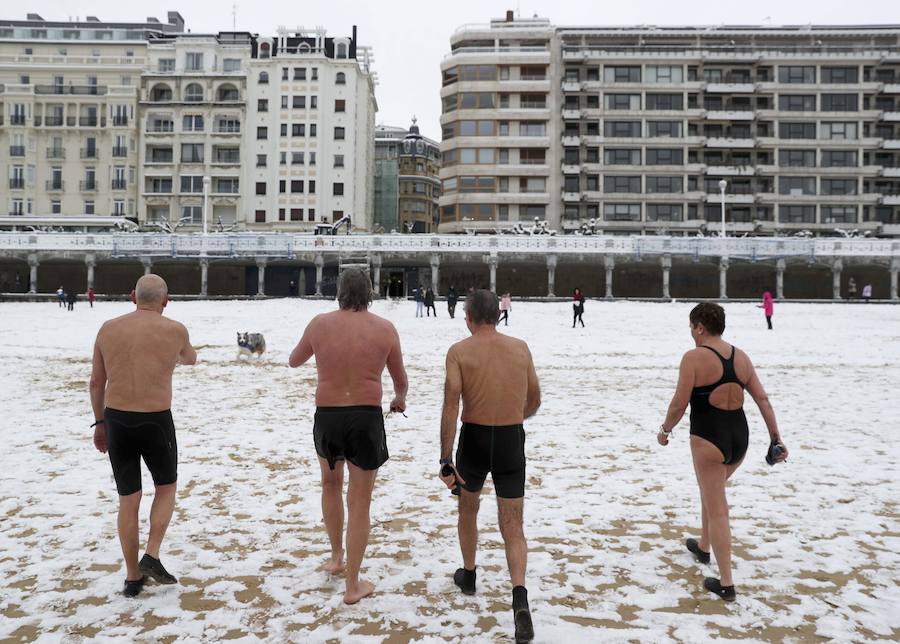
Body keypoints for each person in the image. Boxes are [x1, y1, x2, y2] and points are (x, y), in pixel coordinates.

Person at [289, 268, 408, 605]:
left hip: (328, 416)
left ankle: (336, 556)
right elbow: (400, 379)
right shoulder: (384, 329)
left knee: (329, 485)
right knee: (360, 501)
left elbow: (294, 361)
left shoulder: (320, 324)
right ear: (369, 293)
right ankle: (353, 584)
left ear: (338, 293)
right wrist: (399, 400)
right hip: (365, 417)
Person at [657, 302, 787, 602]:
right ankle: (703, 547)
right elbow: (763, 399)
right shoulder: (740, 357)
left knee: (718, 508)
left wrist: (665, 430)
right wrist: (776, 438)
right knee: (711, 490)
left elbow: (679, 403)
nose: (691, 333)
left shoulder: (693, 358)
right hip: (739, 439)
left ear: (700, 327)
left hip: (708, 439)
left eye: (692, 327)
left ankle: (727, 584)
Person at [439, 290, 541, 644]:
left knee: (468, 509)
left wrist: (445, 458)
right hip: (512, 438)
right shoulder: (520, 348)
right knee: (513, 524)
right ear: (497, 315)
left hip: (475, 440)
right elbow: (535, 398)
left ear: (468, 317)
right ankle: (519, 597)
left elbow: (451, 405)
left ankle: (468, 575)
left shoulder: (459, 352)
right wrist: (514, 417)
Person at [89, 274, 197, 598]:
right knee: (166, 487)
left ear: (132, 296)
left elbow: (96, 382)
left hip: (117, 419)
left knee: (128, 499)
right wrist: (175, 354)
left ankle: (133, 577)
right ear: (166, 300)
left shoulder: (108, 328)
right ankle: (151, 555)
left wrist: (99, 424)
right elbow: (190, 358)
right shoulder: (175, 330)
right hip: (156, 421)